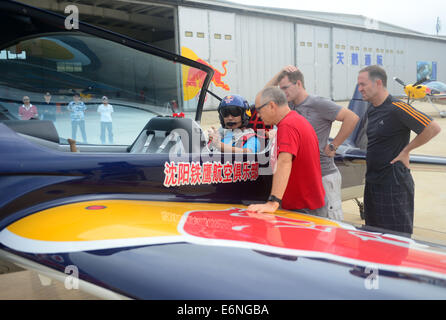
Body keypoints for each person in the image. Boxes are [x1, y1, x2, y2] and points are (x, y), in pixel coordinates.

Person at [265, 66, 359, 220]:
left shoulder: (318, 103)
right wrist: (279, 73)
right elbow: (265, 96)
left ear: (299, 84)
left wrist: (334, 145)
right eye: (280, 89)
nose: (282, 92)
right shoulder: (289, 106)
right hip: (305, 178)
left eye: (285, 88)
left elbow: (352, 117)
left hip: (324, 175)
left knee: (331, 222)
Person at [357, 65, 441, 235]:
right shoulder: (372, 109)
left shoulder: (397, 107)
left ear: (378, 83)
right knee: (373, 237)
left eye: (363, 84)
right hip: (373, 184)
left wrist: (406, 151)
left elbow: (433, 127)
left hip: (393, 186)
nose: (360, 89)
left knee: (397, 241)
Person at [247, 87, 325, 214]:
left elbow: (284, 161)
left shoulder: (287, 126)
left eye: (259, 110)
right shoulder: (296, 121)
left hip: (302, 206)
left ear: (272, 106)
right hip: (309, 203)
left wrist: (273, 202)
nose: (258, 116)